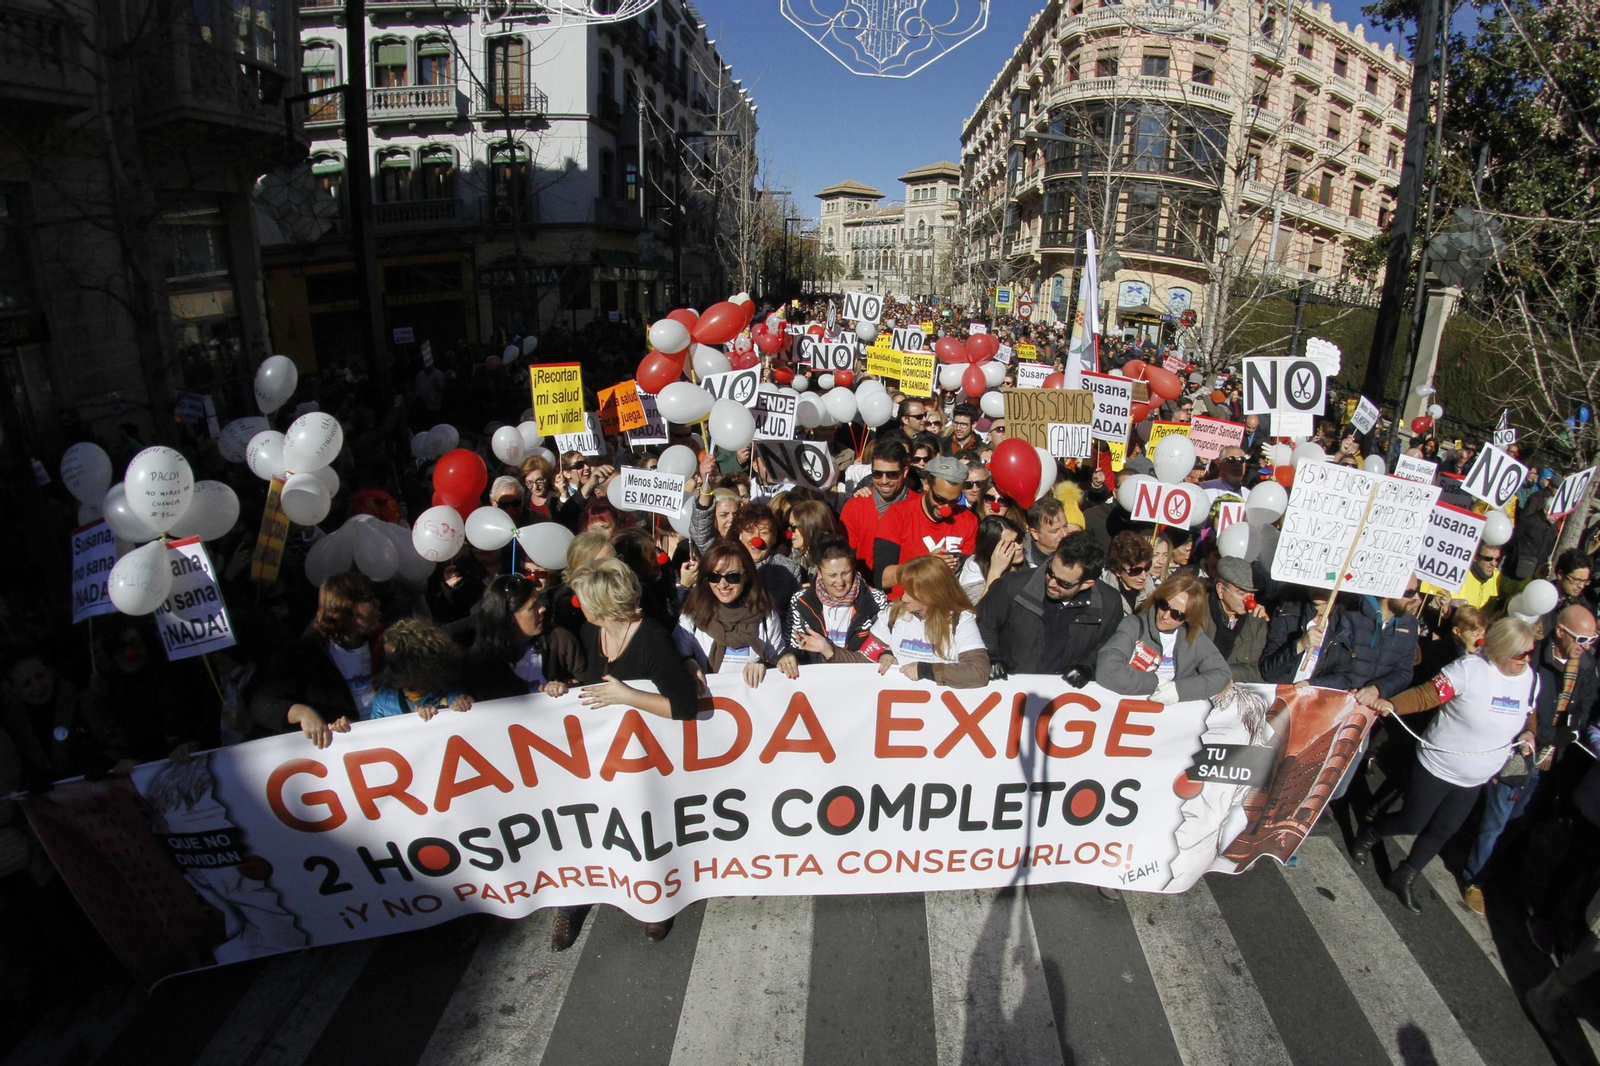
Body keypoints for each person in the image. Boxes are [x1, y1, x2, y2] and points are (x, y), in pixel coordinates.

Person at [1352, 618, 1543, 913]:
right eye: (1521, 654)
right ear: (1503, 650)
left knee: (1443, 829)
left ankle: (1405, 875)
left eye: (1531, 652)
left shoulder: (1530, 677)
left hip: (1475, 777)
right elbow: (1426, 694)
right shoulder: (1469, 669)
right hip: (1438, 766)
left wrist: (1529, 731)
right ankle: (1370, 835)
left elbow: (1530, 711)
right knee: (1413, 821)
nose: (1527, 659)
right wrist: (1394, 705)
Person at [1459, 604, 1598, 915]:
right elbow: (1521, 702)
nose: (1586, 646)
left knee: (1518, 819)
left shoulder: (1586, 667)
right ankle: (1474, 878)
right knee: (1497, 816)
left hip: (1550, 762)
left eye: (1592, 640)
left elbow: (1583, 713)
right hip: (1523, 749)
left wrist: (1568, 734)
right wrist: (1552, 734)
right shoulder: (1532, 655)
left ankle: (1491, 867)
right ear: (1560, 632)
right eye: (1580, 638)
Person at [251, 572, 386, 747]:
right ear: (345, 607)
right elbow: (261, 703)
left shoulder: (388, 644)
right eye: (368, 600)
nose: (377, 605)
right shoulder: (306, 654)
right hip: (344, 751)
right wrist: (303, 713)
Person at [978, 532, 1123, 682]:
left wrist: (1088, 667)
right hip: (1010, 689)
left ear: (1086, 584)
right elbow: (984, 624)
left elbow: (1109, 646)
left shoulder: (1109, 603)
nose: (1052, 583)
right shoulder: (1012, 586)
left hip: (1065, 697)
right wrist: (991, 657)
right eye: (1050, 572)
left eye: (1064, 583)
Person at [830, 555, 989, 688]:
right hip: (899, 708)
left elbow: (978, 672)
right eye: (904, 590)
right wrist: (829, 651)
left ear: (933, 593)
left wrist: (926, 671)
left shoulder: (960, 620)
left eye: (911, 592)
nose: (903, 597)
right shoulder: (894, 614)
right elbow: (863, 660)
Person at [676, 540, 798, 689]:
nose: (723, 585)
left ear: (746, 576)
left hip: (751, 704)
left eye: (732, 577)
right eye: (714, 576)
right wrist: (689, 663)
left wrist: (764, 666)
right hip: (707, 703)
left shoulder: (765, 615)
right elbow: (676, 658)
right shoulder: (693, 614)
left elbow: (778, 661)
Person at [1095, 573, 1232, 704]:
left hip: (1168, 719)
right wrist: (1156, 683)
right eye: (1164, 605)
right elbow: (1107, 670)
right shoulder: (1134, 626)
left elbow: (1222, 673)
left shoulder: (1193, 635)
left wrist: (1179, 690)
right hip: (1129, 709)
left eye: (1177, 614)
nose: (1165, 616)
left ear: (1188, 618)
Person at [459, 574, 585, 701]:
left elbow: (586, 685)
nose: (542, 608)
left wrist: (566, 686)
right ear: (509, 617)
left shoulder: (560, 640)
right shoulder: (480, 659)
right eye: (532, 606)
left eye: (539, 601)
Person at [873, 455, 978, 594]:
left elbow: (970, 573)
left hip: (947, 603)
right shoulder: (898, 515)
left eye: (953, 501)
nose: (946, 508)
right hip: (904, 604)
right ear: (927, 484)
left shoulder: (968, 520)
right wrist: (925, 566)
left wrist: (957, 565)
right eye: (939, 499)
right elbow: (882, 577)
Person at [790, 536, 891, 664]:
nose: (840, 582)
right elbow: (794, 647)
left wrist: (886, 654)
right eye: (832, 575)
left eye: (846, 573)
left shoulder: (876, 600)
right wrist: (790, 656)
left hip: (860, 677)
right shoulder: (801, 600)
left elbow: (883, 647)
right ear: (819, 572)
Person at [370, 619, 473, 721]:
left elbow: (463, 720)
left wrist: (448, 710)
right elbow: (374, 736)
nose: (387, 671)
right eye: (386, 663)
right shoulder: (383, 703)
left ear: (421, 665)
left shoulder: (452, 694)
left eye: (396, 666)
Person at [840, 440, 911, 569]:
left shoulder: (918, 505)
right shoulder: (855, 506)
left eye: (892, 474)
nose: (884, 481)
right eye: (877, 474)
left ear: (905, 471)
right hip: (865, 584)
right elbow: (844, 555)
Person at [1201, 557, 1269, 683]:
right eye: (1241, 593)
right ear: (1221, 590)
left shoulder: (1256, 622)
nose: (1248, 601)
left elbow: (1259, 670)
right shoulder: (1198, 613)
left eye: (1251, 594)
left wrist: (1227, 675)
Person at [958, 514, 1026, 604]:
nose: (1018, 547)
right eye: (1009, 545)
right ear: (991, 548)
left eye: (1019, 540)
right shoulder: (974, 568)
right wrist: (995, 572)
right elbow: (979, 613)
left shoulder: (1030, 567)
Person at [1102, 531, 1154, 614]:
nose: (1143, 576)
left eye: (1147, 568)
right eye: (1136, 571)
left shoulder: (1154, 594)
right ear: (1117, 570)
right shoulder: (1101, 595)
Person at [1022, 496, 1070, 569]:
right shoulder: (1021, 563)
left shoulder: (1079, 553)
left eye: (1065, 526)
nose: (1064, 534)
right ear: (1035, 533)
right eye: (1055, 531)